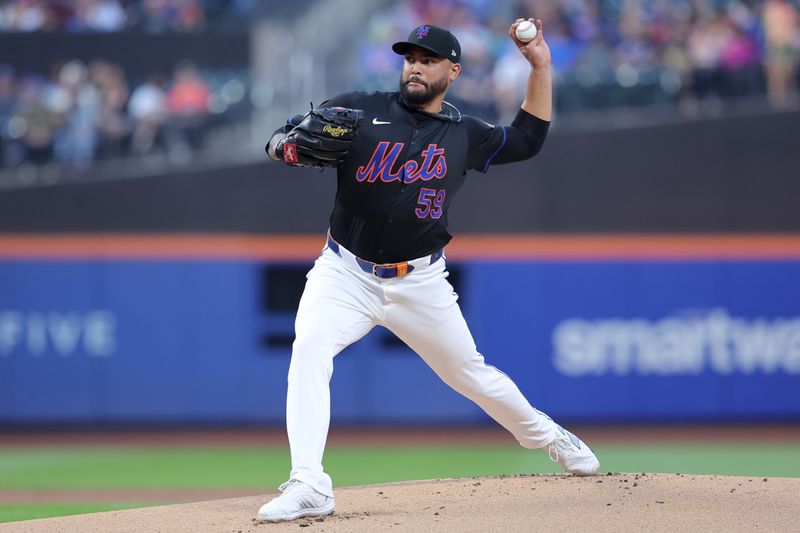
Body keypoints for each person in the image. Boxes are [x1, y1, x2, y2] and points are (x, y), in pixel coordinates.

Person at [259, 19, 600, 523]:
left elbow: (528, 140)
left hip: (419, 282)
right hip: (344, 273)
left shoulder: (465, 134)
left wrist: (541, 66)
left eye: (428, 59)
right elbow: (284, 135)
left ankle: (548, 436)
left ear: (453, 71)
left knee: (470, 374)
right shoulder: (360, 108)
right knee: (309, 349)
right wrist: (282, 146)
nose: (415, 66)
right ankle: (310, 482)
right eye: (409, 57)